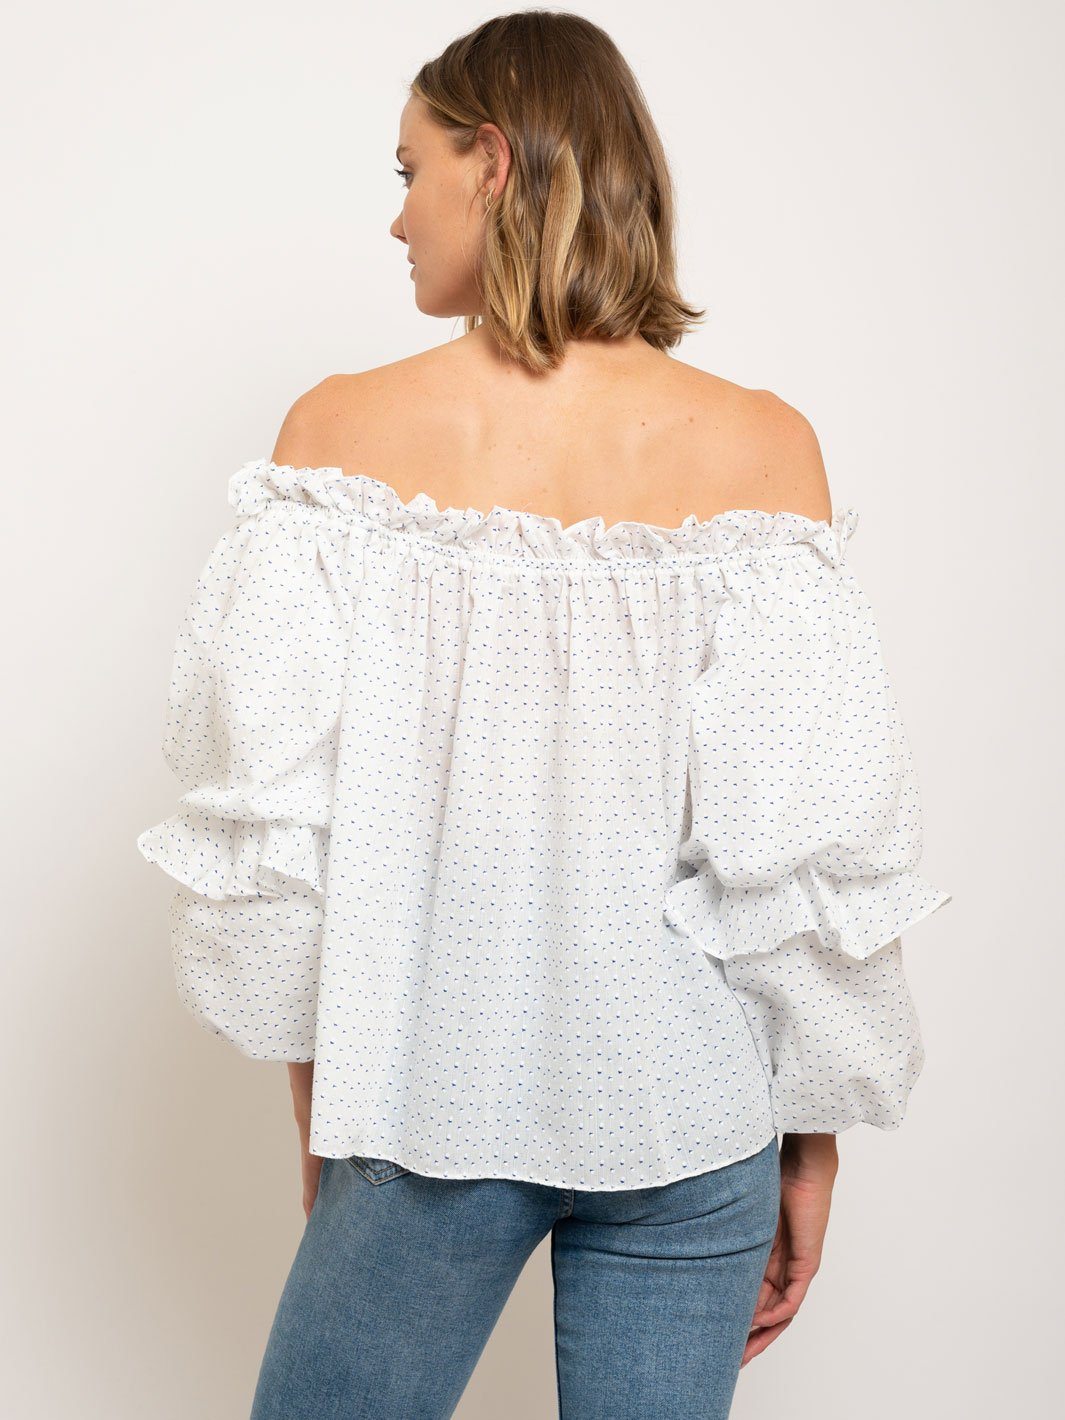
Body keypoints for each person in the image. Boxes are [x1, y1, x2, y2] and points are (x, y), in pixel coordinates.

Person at [136, 11, 952, 1419]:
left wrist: (325, 1092)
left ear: (495, 161)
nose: (397, 217)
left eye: (410, 171)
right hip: (694, 1114)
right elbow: (798, 847)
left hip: (426, 1100)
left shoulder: (336, 440)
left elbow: (281, 828)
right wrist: (808, 1146)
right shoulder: (764, 446)